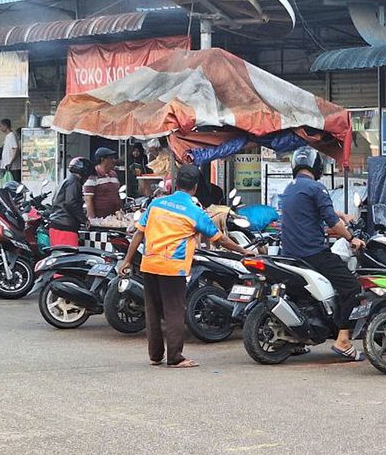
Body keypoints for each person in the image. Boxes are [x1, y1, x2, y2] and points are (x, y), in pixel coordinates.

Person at [118, 164, 254, 368]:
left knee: (153, 311)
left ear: (176, 183)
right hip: (173, 266)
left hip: (149, 263)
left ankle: (155, 356)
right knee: (174, 311)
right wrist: (244, 251)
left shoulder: (156, 204)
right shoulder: (194, 211)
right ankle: (174, 357)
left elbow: (139, 233)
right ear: (196, 187)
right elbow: (220, 240)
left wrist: (127, 260)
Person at [279, 146, 366, 361]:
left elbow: (310, 214)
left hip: (289, 253)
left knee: (300, 295)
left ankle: (295, 339)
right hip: (312, 253)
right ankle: (344, 340)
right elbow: (332, 222)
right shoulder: (317, 188)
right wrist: (351, 238)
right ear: (318, 166)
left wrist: (340, 214)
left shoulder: (290, 188)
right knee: (352, 287)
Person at [48, 158, 93, 247]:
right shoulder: (74, 182)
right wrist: (84, 220)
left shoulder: (67, 180)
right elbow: (71, 203)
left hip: (58, 225)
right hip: (65, 227)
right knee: (68, 257)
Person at [84, 147, 121, 219]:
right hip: (99, 219)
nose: (114, 160)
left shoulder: (114, 174)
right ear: (102, 159)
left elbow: (117, 194)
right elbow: (88, 199)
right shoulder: (92, 175)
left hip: (113, 218)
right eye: (111, 158)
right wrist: (92, 219)